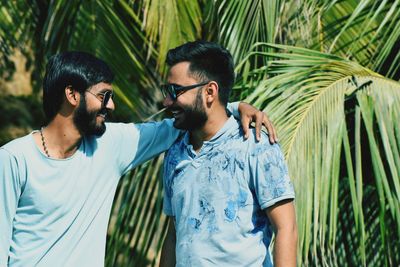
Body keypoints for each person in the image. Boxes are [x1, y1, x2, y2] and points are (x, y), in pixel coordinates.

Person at [0, 51, 276, 266]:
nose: (111, 105)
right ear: (72, 94)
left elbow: (194, 115)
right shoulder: (14, 160)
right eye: (104, 95)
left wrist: (235, 106)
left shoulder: (109, 146)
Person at [159, 41, 297, 267]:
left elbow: (286, 228)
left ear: (210, 92)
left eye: (175, 91)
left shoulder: (255, 145)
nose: (166, 101)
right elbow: (174, 233)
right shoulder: (175, 154)